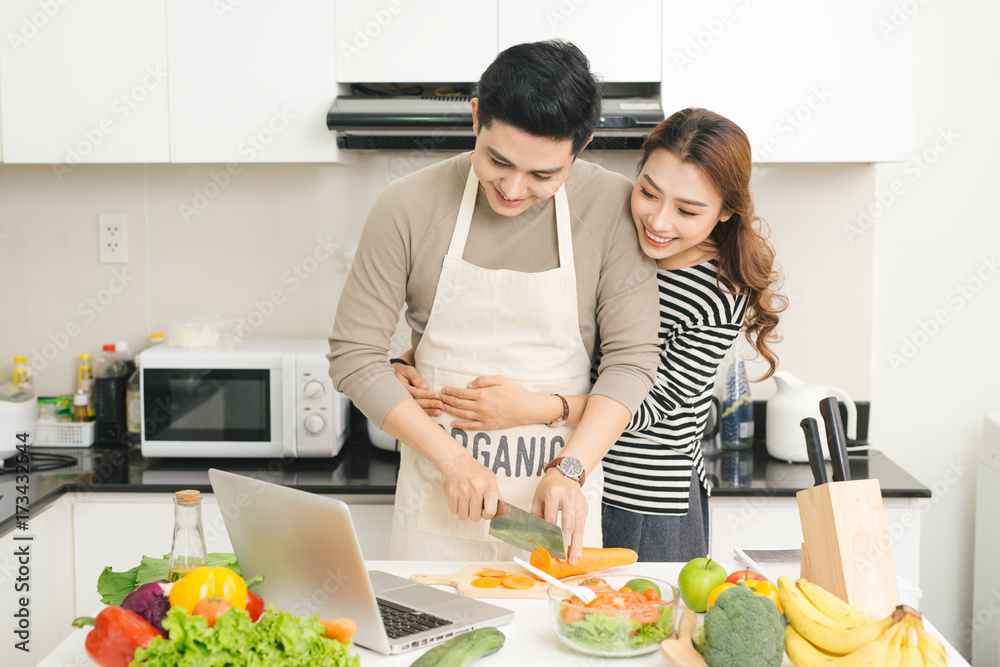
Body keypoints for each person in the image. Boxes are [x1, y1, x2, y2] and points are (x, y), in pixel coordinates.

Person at [396, 108, 785, 561]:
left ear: (725, 213)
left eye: (687, 210)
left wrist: (535, 408)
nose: (659, 222)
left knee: (630, 623)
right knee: (550, 617)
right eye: (648, 193)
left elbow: (649, 406)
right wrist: (409, 362)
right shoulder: (611, 235)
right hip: (559, 479)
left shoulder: (716, 292)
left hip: (641, 501)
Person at [328, 40, 660, 563]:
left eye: (543, 175)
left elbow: (633, 361)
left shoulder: (610, 209)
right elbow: (353, 357)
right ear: (477, 116)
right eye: (497, 160)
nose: (512, 187)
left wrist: (569, 468)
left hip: (557, 509)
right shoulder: (408, 206)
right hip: (437, 507)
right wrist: (453, 461)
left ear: (581, 146)